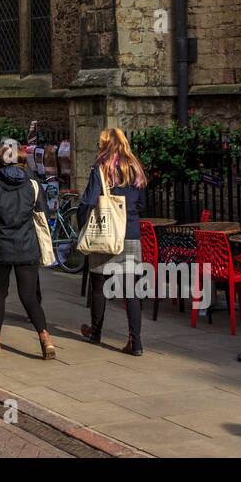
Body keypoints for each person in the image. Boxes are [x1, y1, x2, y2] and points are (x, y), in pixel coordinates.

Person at [0, 140, 56, 359]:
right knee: (29, 297)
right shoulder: (32, 184)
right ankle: (45, 339)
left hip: (1, 249)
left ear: (0, 160)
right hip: (27, 247)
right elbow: (42, 215)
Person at [74, 127, 148, 356]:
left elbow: (88, 200)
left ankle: (95, 333)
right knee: (131, 291)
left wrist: (83, 223)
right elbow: (142, 203)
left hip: (106, 233)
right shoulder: (136, 168)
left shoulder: (102, 168)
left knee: (99, 285)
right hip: (131, 234)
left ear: (105, 144)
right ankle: (135, 343)